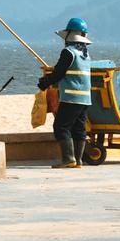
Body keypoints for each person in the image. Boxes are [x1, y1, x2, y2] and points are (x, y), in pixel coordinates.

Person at [38, 17, 93, 169]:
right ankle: (78, 160)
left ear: (69, 35)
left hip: (71, 97)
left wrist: (45, 83)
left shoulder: (68, 52)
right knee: (79, 129)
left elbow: (58, 73)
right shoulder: (86, 54)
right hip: (85, 99)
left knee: (61, 127)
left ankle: (68, 159)